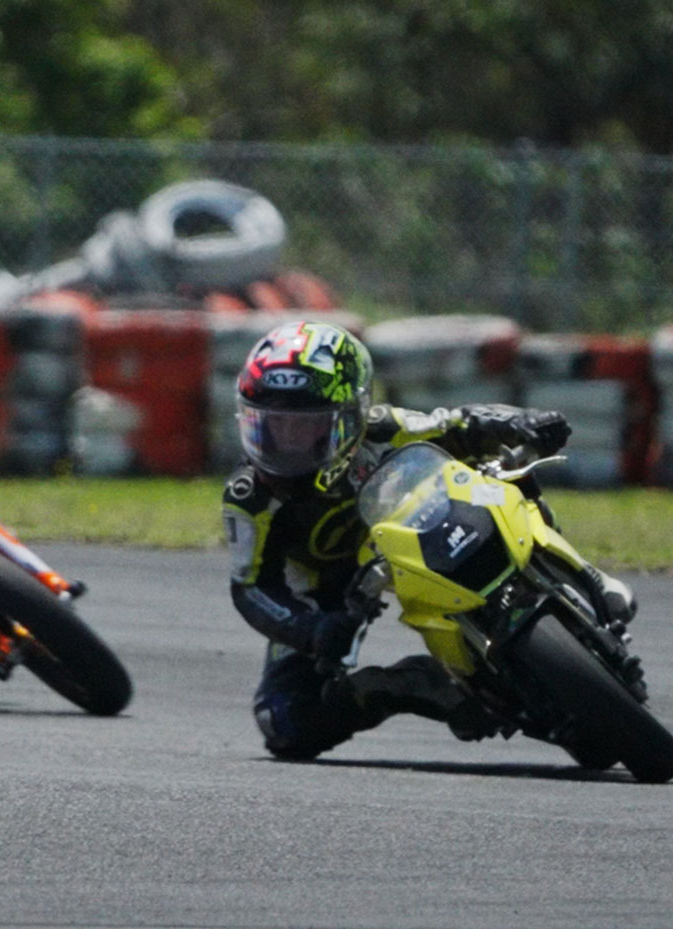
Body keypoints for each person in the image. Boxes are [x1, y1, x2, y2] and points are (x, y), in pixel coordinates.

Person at [222, 319, 636, 760]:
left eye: (302, 428)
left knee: (508, 480)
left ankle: (580, 577)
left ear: (350, 417)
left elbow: (456, 425)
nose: (283, 443)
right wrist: (311, 630)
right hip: (325, 592)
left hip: (414, 530)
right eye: (269, 425)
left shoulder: (381, 428)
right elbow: (251, 587)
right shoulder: (251, 497)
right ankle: (409, 687)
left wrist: (519, 422)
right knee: (284, 724)